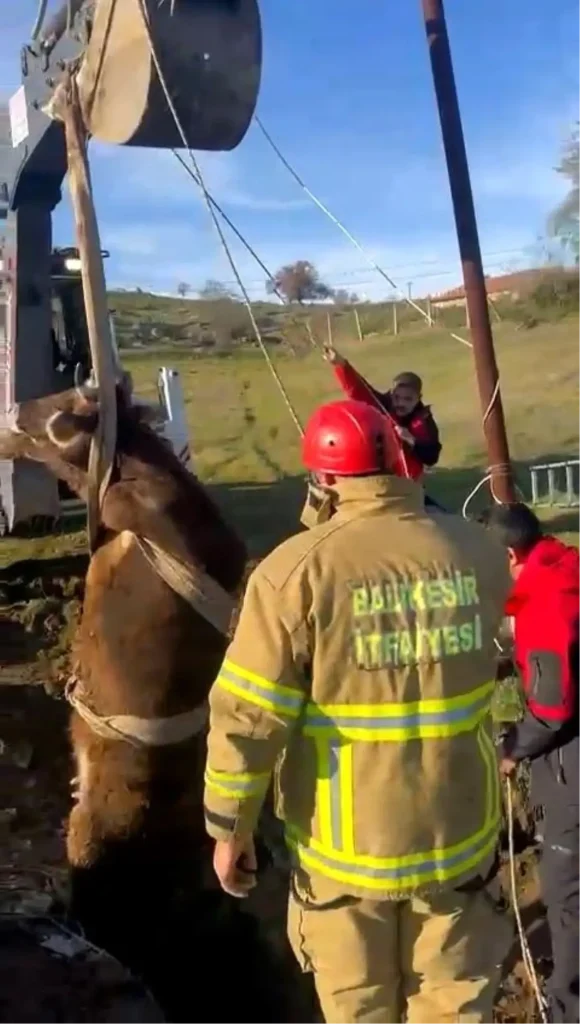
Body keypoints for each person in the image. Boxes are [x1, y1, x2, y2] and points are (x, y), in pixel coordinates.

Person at [203, 397, 513, 1023]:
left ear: (321, 477)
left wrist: (228, 826)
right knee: (455, 1006)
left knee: (358, 1010)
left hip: (344, 859)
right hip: (458, 839)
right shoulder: (476, 550)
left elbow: (248, 715)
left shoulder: (293, 574)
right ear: (399, 459)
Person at [486, 502, 580, 1024]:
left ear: (508, 554)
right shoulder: (564, 567)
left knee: (567, 896)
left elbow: (551, 708)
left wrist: (511, 749)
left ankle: (567, 1006)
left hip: (571, 769)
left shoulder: (545, 605)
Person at [322, 343, 442, 481]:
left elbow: (432, 457)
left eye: (408, 399)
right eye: (397, 397)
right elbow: (359, 390)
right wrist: (341, 365)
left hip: (410, 487)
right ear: (392, 394)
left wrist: (410, 439)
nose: (401, 403)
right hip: (382, 480)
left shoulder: (425, 421)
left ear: (418, 398)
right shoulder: (383, 405)